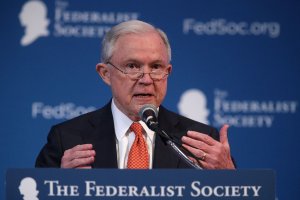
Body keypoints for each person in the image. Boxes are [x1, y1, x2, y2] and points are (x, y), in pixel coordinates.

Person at [35, 20, 235, 169]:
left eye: (156, 67)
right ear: (105, 74)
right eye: (132, 66)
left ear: (168, 73)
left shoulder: (201, 141)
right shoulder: (67, 139)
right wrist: (58, 186)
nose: (146, 79)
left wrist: (230, 181)